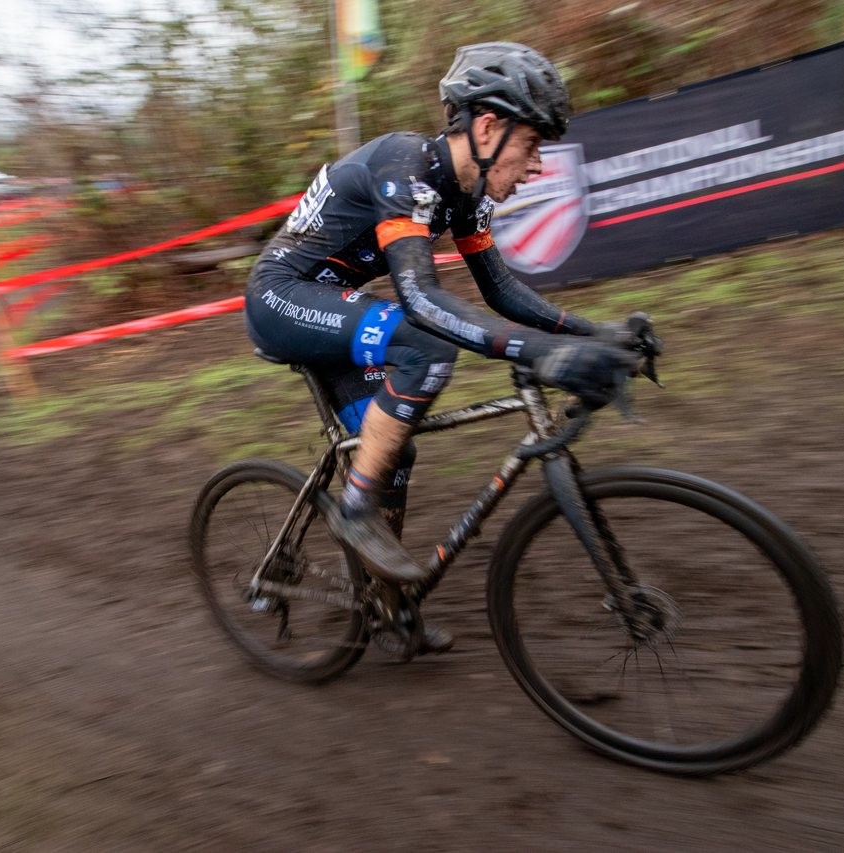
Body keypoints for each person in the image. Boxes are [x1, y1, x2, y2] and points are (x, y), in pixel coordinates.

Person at [245, 42, 637, 652]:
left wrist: (596, 334)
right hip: (281, 298)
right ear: (487, 126)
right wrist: (540, 355)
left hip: (332, 308)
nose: (536, 165)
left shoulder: (464, 192)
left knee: (393, 452)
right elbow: (421, 300)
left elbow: (502, 292)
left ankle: (387, 606)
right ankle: (352, 510)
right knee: (425, 345)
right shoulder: (405, 164)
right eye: (533, 145)